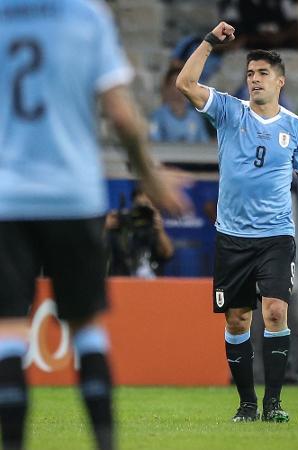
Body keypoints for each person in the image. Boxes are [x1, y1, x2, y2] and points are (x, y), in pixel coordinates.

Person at [0, 1, 188, 450]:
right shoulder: (86, 16)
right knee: (85, 327)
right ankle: (104, 443)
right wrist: (148, 174)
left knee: (8, 329)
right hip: (73, 193)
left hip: (7, 197)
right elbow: (122, 115)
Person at [176, 21, 298, 422]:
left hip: (275, 236)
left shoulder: (296, 127)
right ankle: (247, 404)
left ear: (280, 81)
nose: (254, 80)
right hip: (232, 236)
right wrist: (209, 43)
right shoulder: (229, 111)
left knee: (274, 313)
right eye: (250, 74)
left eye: (262, 74)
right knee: (238, 320)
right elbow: (185, 83)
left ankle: (273, 404)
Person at [106, 188, 174, 278]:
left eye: (146, 205)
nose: (142, 210)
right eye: (138, 205)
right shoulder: (122, 227)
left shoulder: (155, 231)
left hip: (151, 287)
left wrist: (160, 231)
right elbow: (97, 252)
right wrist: (104, 227)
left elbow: (167, 253)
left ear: (155, 209)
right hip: (123, 285)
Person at [149, 67, 210, 143]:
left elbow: (205, 145)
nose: (177, 89)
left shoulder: (195, 117)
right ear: (166, 88)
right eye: (174, 84)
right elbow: (154, 143)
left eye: (183, 84)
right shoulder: (158, 116)